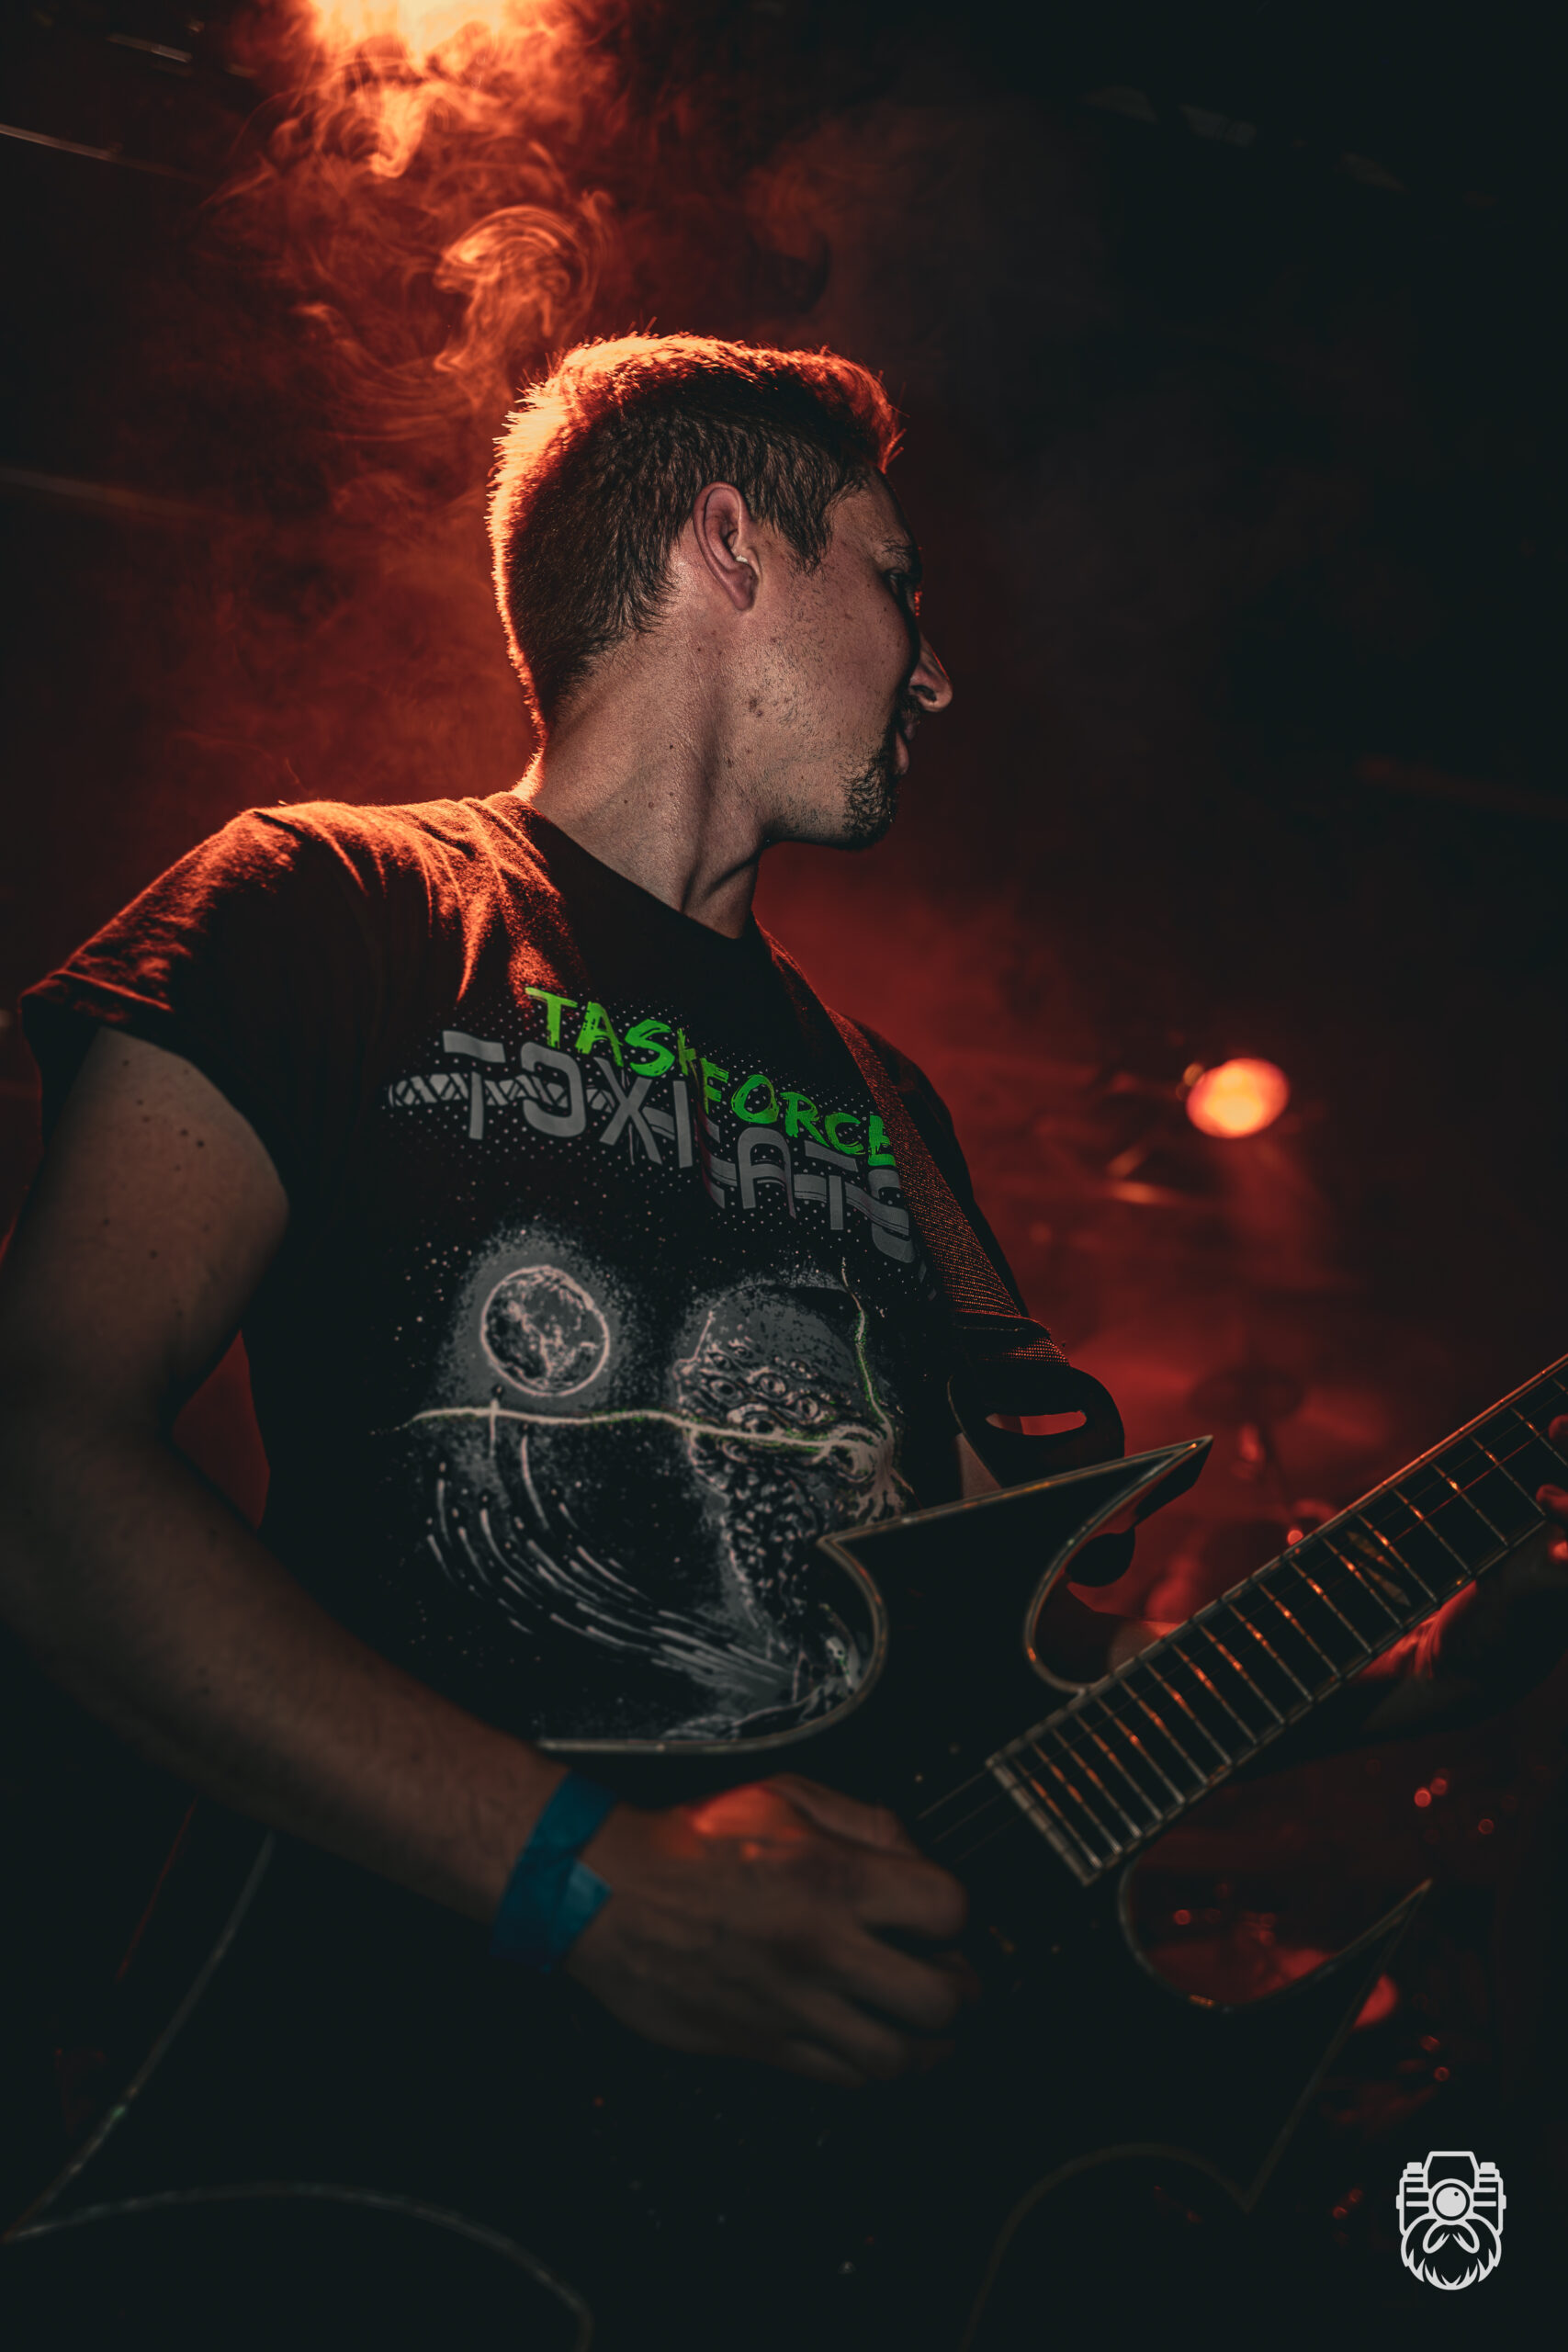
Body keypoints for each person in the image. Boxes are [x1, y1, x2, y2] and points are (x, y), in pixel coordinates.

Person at [3, 334, 1567, 2337]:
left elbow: (1009, 1685)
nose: (937, 671)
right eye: (898, 580)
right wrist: (584, 1878)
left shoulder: (884, 1102)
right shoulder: (328, 899)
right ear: (729, 545)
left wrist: (1397, 1673)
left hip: (805, 2222)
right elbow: (41, 1458)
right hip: (376, 2133)